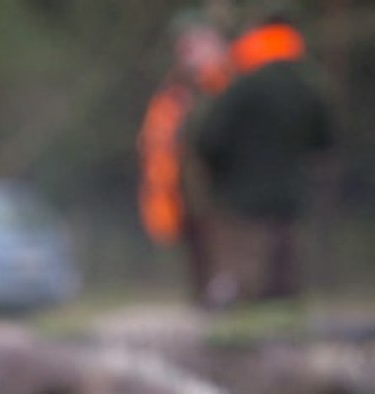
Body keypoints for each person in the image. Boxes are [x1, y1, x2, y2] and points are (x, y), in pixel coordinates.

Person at [192, 11, 335, 307]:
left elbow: (208, 140)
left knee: (244, 289)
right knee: (286, 289)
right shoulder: (309, 83)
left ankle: (242, 346)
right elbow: (324, 142)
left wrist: (220, 178)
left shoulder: (242, 86)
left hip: (241, 206)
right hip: (292, 203)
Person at [137, 12, 232, 304]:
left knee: (226, 256)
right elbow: (152, 142)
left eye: (194, 46)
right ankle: (205, 311)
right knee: (199, 257)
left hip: (224, 190)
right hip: (184, 191)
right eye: (184, 48)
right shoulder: (172, 93)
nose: (188, 55)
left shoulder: (228, 84)